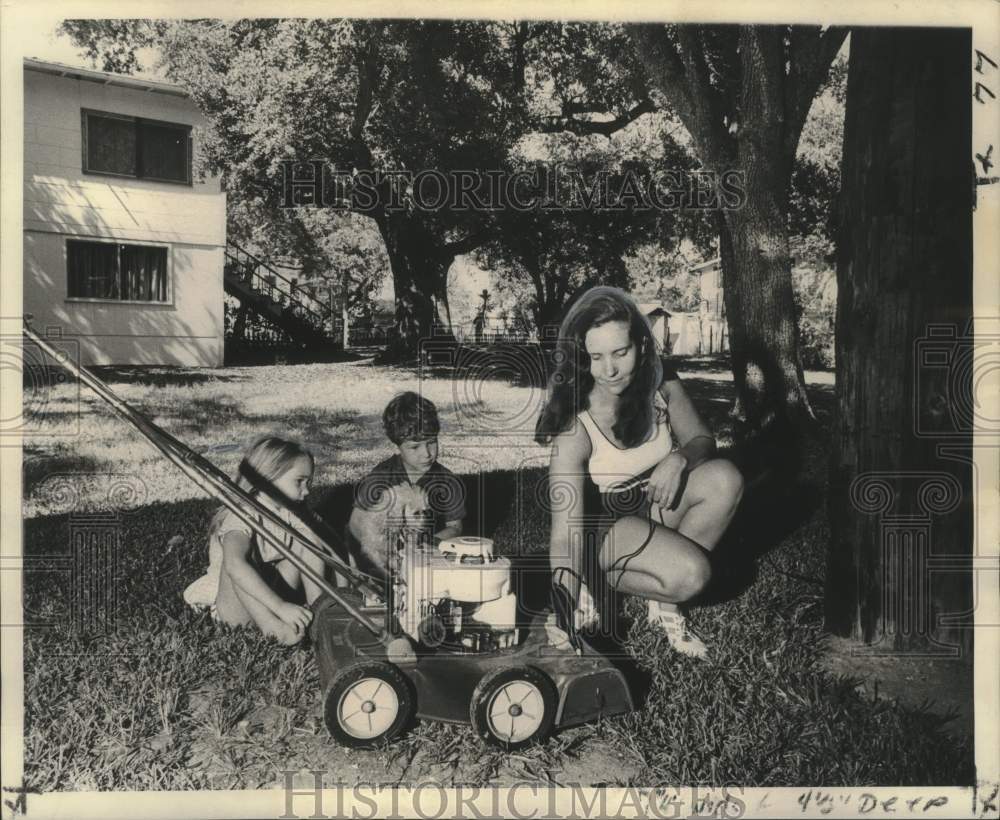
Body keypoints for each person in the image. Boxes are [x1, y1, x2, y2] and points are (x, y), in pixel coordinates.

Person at [535, 286, 743, 659]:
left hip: (652, 507)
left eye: (620, 352)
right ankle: (604, 585)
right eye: (596, 357)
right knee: (693, 575)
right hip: (605, 528)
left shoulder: (660, 381)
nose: (610, 369)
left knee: (725, 479)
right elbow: (565, 534)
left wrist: (679, 459)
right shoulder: (574, 427)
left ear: (641, 346)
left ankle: (662, 603)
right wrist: (562, 608)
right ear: (582, 358)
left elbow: (701, 439)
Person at [183, 436, 327, 645]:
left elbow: (327, 547)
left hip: (271, 591)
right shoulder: (241, 514)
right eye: (299, 481)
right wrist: (279, 607)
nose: (307, 491)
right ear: (267, 479)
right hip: (234, 609)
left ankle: (319, 610)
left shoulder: (288, 511)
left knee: (310, 541)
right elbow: (234, 566)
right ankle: (272, 626)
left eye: (309, 482)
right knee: (239, 563)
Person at [348, 391, 466, 579]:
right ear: (398, 445)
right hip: (380, 554)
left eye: (432, 443)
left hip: (425, 556)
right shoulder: (382, 476)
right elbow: (355, 523)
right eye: (414, 447)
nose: (426, 453)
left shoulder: (447, 480)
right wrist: (375, 552)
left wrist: (428, 543)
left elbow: (455, 527)